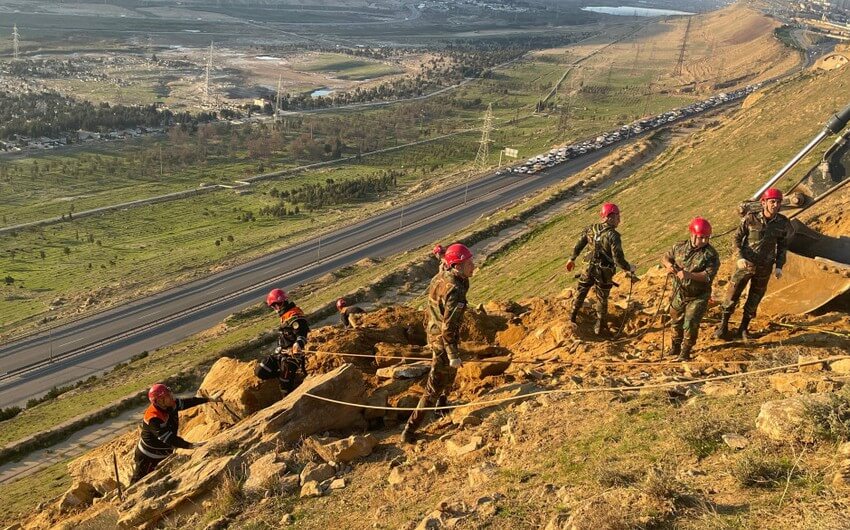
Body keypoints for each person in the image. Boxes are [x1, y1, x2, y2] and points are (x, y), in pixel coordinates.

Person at [401, 243, 474, 444]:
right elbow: (448, 328)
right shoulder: (455, 290)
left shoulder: (442, 276)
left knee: (450, 374)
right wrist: (452, 354)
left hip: (433, 333)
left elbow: (443, 265)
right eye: (468, 263)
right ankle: (409, 430)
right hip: (442, 340)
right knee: (434, 386)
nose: (473, 266)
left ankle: (442, 406)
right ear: (457, 266)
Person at [715, 188, 794, 340]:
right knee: (732, 294)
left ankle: (743, 329)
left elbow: (783, 246)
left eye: (778, 202)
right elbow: (736, 238)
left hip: (764, 268)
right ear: (764, 202)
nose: (775, 205)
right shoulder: (751, 218)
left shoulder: (783, 223)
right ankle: (723, 326)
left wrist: (779, 266)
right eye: (772, 202)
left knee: (754, 298)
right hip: (745, 265)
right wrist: (739, 257)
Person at [566, 202, 636, 336]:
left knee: (581, 291)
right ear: (609, 217)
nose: (619, 220)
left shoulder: (591, 229)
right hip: (604, 272)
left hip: (587, 269)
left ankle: (572, 316)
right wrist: (629, 268)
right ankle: (600, 325)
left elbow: (579, 245)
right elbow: (618, 259)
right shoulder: (613, 236)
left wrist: (572, 259)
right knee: (602, 298)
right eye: (617, 217)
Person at [131, 383, 218, 484]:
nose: (171, 397)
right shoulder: (153, 418)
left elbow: (187, 402)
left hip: (163, 453)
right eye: (167, 396)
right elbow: (168, 438)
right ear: (159, 401)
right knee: (139, 481)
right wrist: (189, 445)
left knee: (160, 481)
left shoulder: (170, 405)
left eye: (169, 394)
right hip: (148, 457)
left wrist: (208, 399)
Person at [661, 217, 721, 360]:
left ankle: (685, 351)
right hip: (679, 292)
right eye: (701, 238)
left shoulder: (711, 255)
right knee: (675, 319)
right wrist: (669, 265)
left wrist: (689, 275)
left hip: (698, 295)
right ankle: (675, 347)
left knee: (690, 323)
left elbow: (707, 276)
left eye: (707, 238)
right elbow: (665, 257)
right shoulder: (679, 247)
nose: (704, 241)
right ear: (692, 235)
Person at [255, 288, 310, 395]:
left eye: (275, 305)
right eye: (273, 306)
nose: (275, 308)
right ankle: (285, 376)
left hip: (291, 357)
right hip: (280, 354)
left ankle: (288, 382)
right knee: (260, 371)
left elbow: (302, 332)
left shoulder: (294, 314)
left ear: (282, 303)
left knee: (285, 387)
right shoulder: (285, 315)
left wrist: (298, 344)